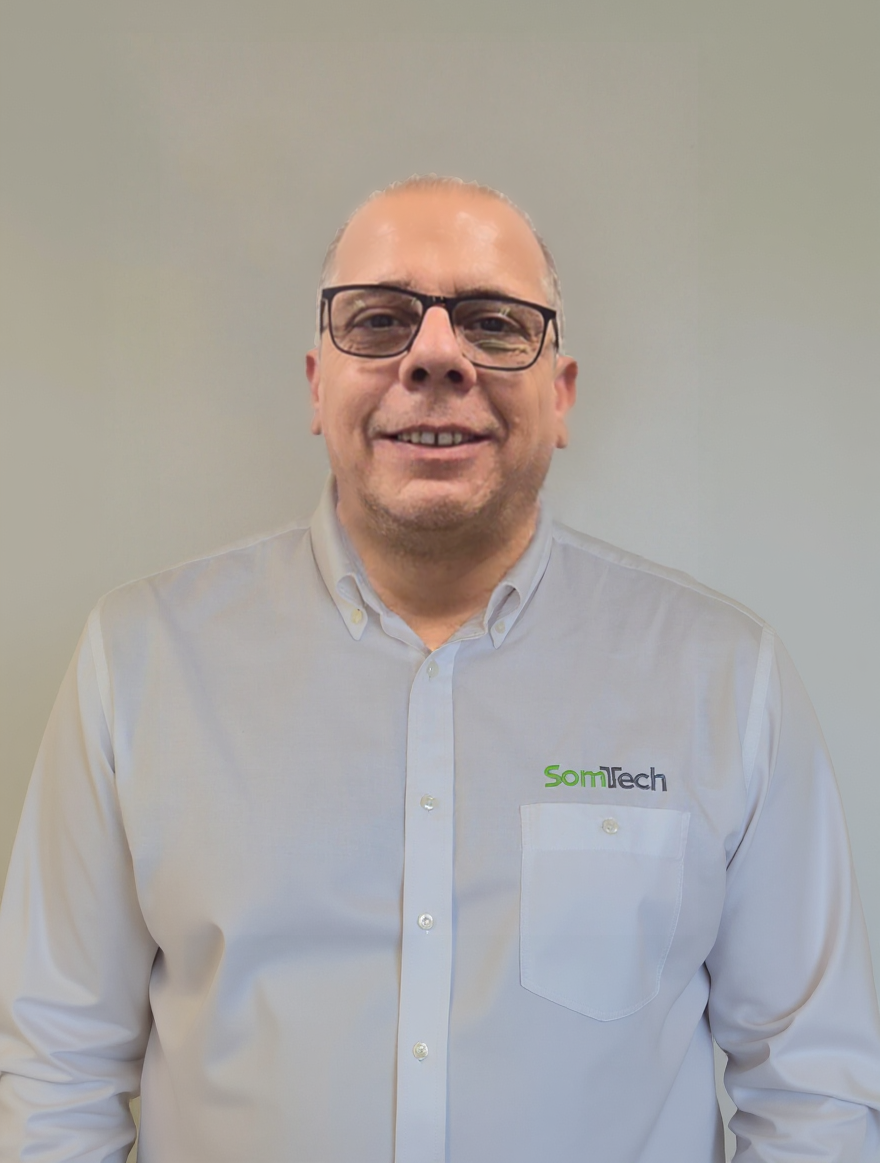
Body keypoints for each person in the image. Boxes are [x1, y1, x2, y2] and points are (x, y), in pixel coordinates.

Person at [1, 175, 879, 1163]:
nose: (434, 355)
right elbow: (56, 1070)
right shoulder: (140, 661)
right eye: (379, 320)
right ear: (316, 386)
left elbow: (811, 1087)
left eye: (494, 323)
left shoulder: (724, 678)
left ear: (560, 396)